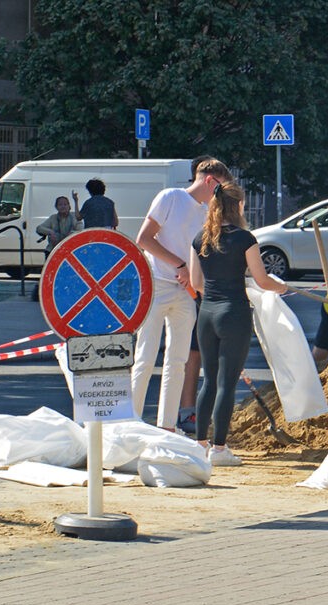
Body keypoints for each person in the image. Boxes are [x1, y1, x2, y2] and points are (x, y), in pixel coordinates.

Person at [189, 181, 288, 466]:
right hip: (234, 313)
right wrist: (281, 287)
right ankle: (220, 449)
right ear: (239, 206)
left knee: (209, 381)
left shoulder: (201, 238)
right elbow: (262, 280)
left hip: (206, 314)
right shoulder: (245, 239)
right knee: (227, 383)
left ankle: (200, 444)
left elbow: (196, 283)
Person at [132, 156, 232, 432]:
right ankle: (131, 423)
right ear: (209, 181)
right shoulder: (171, 197)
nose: (220, 195)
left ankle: (166, 427)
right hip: (157, 284)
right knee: (145, 356)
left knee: (178, 361)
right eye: (220, 188)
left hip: (185, 291)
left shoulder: (206, 212)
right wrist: (179, 265)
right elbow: (144, 239)